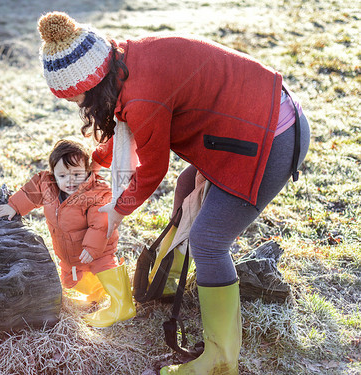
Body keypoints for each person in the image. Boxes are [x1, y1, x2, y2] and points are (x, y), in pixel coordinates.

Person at [37, 11, 310, 375]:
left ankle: (220, 360)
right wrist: (93, 165)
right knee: (187, 189)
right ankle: (167, 283)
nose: (78, 106)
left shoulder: (142, 96)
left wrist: (115, 212)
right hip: (254, 120)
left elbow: (152, 168)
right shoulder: (121, 61)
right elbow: (129, 128)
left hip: (268, 138)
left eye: (75, 98)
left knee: (210, 241)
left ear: (91, 83)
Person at [0, 139, 136, 327]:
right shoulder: (48, 185)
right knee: (71, 281)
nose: (69, 181)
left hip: (97, 248)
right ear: (54, 175)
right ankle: (97, 293)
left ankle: (122, 305)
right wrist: (14, 205)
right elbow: (31, 192)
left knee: (103, 265)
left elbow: (101, 223)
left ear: (87, 171)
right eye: (62, 175)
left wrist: (93, 247)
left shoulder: (97, 193)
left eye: (77, 174)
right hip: (69, 253)